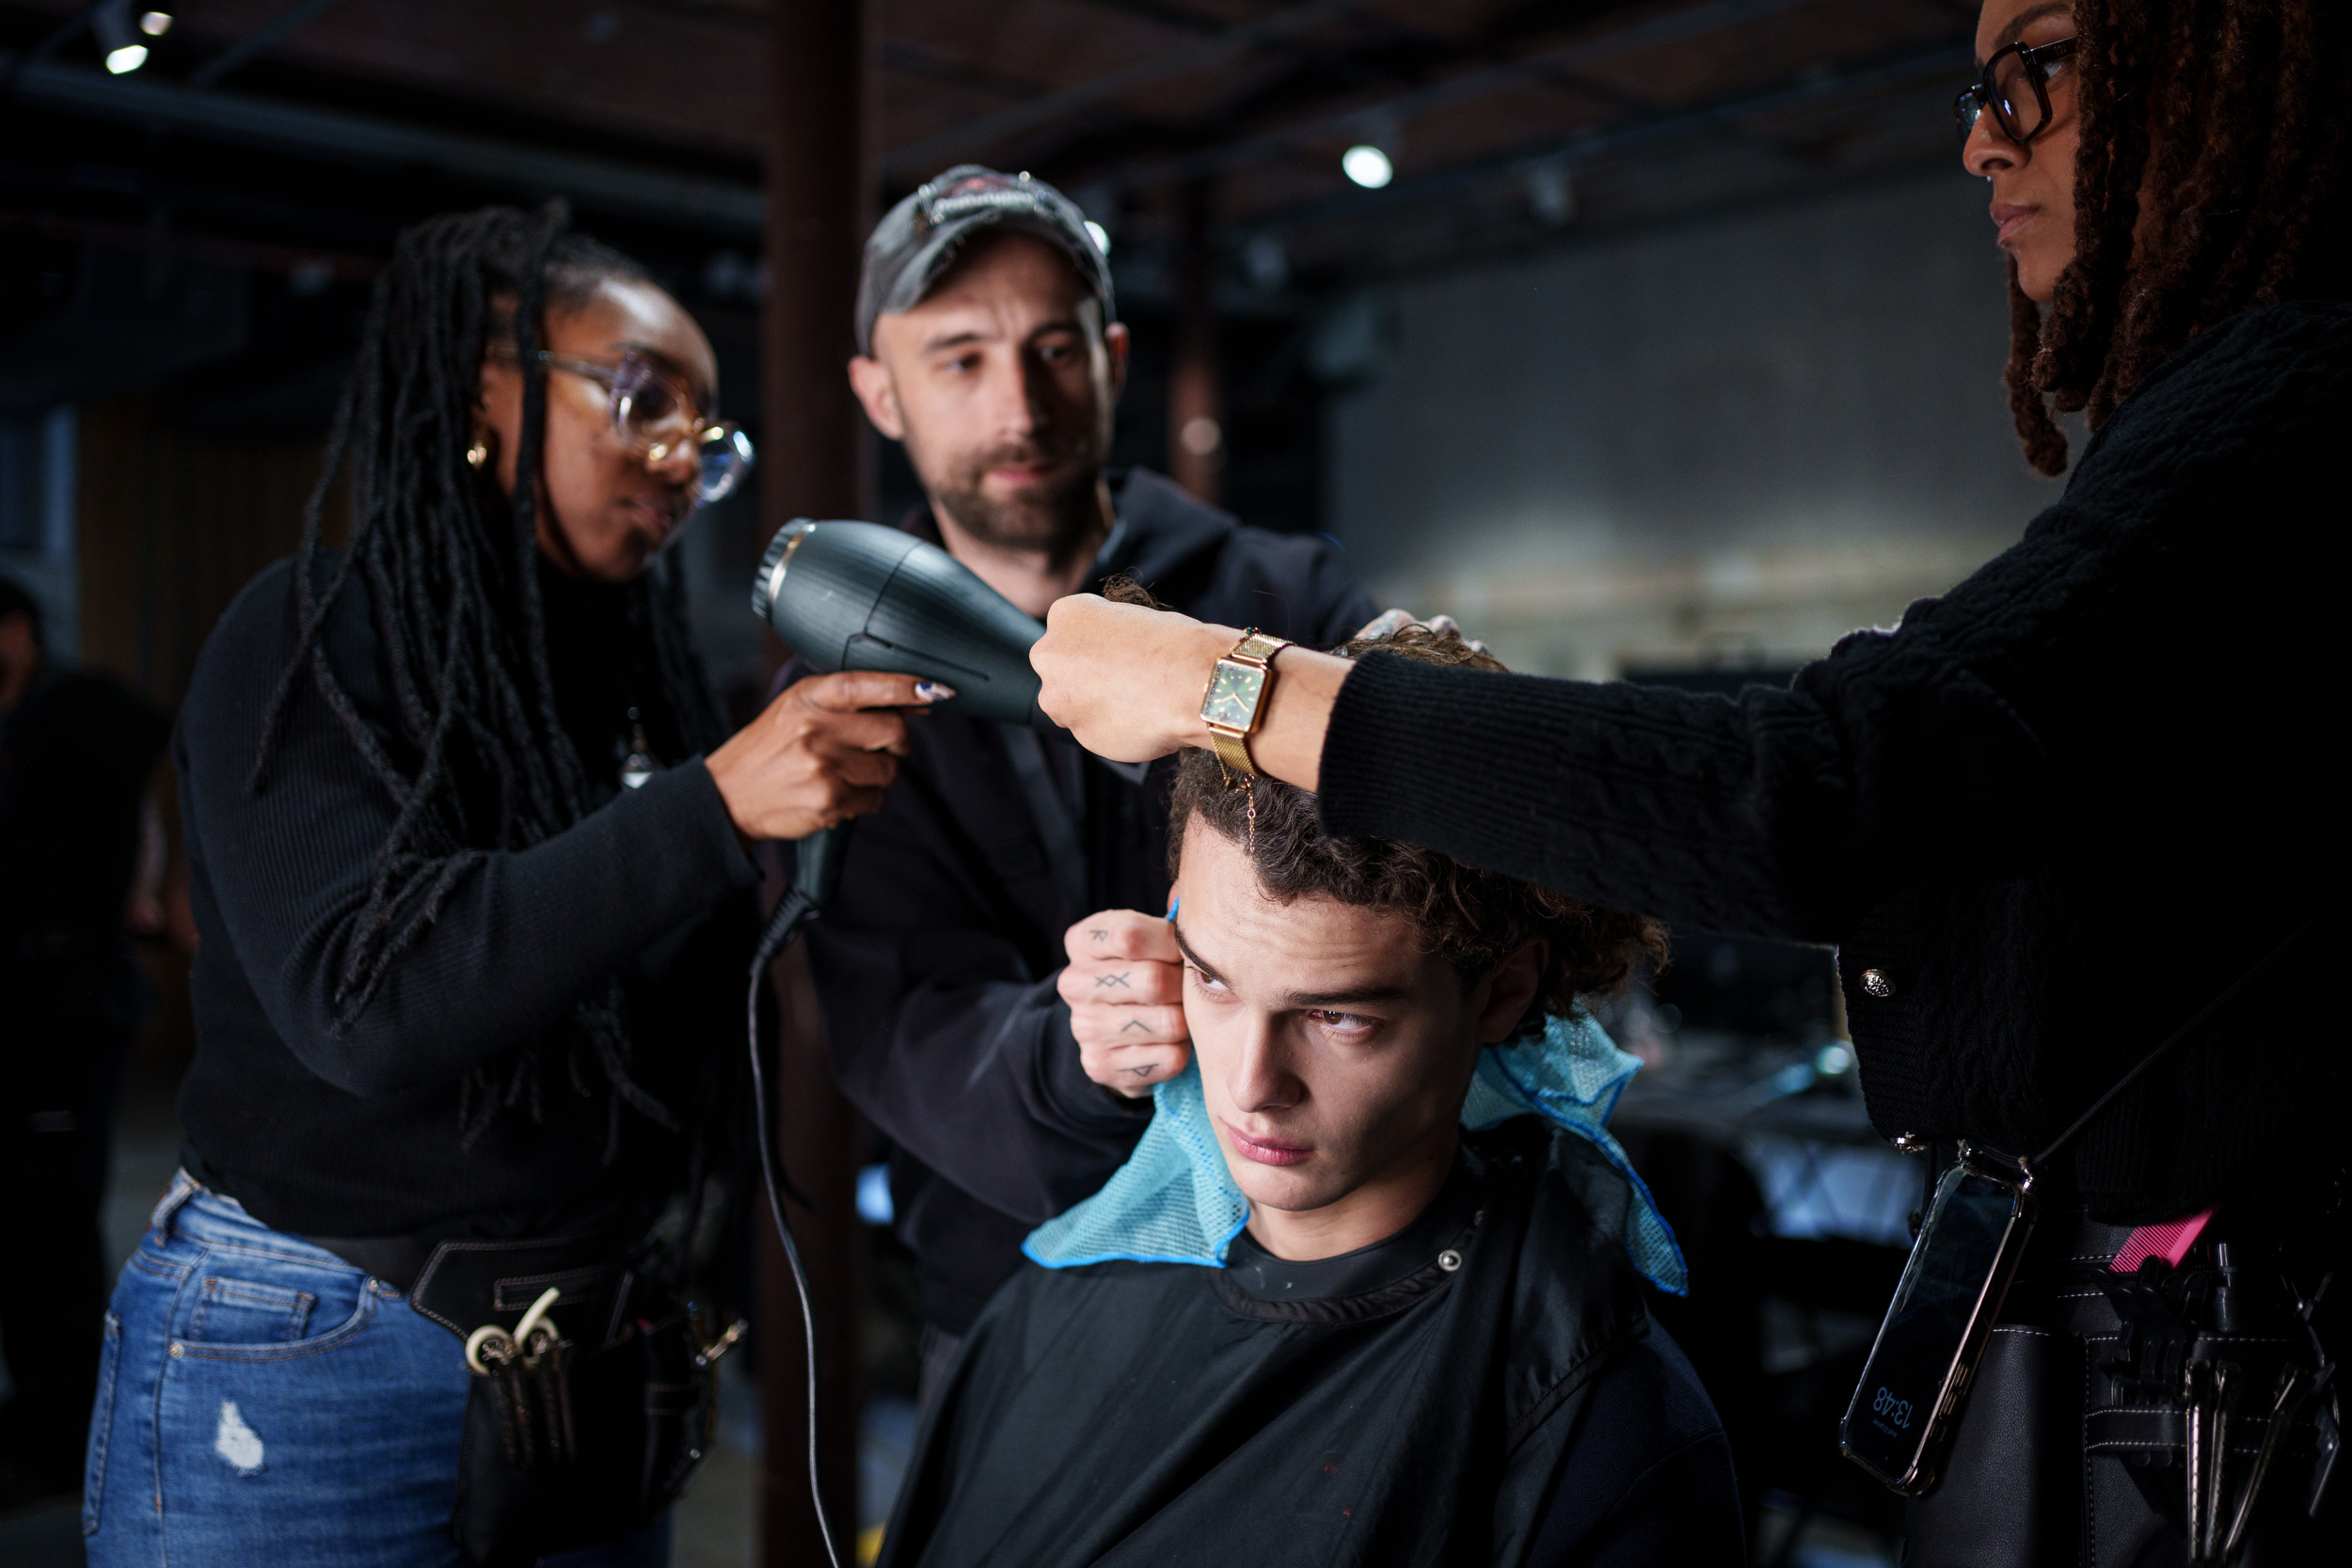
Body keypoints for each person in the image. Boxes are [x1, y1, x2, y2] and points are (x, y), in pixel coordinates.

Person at [1030, 2, 2346, 1561]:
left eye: (2043, 64)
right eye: (1219, 985)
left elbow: (1812, 791)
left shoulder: (2306, 400)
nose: (1986, 134)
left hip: (2221, 1408)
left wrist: (1223, 688)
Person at [83, 207, 932, 1567]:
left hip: (582, 1351)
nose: (677, 455)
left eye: (707, 442)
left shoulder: (635, 684)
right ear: (483, 387)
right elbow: (371, 1002)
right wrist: (709, 808)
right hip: (318, 1341)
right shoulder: (314, 632)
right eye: (641, 395)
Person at [878, 626, 1741, 1568]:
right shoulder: (1050, 1307)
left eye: (1338, 1018)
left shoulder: (1596, 1430)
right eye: (1212, 980)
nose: (1248, 1085)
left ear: (1501, 992)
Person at [799, 166, 1375, 1383]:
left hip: (1329, 1293)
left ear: (1113, 355)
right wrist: (1079, 1054)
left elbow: (1421, 848)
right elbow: (899, 1018)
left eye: (1054, 346)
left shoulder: (1284, 597)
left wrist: (1252, 685)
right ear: (877, 391)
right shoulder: (842, 702)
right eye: (958, 357)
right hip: (1022, 1313)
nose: (1019, 402)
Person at [0, 575, 169, 1509]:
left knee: (50, 1223)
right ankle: (37, 1416)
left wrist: (167, 876)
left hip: (67, 1001)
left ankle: (64, 1436)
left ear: (16, 630)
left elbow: (178, 759)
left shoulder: (82, 708)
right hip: (17, 996)